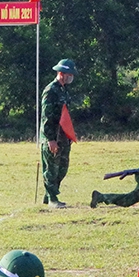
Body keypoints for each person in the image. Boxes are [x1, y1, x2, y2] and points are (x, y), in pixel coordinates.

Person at [40, 59, 78, 209]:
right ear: (61, 74)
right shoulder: (51, 91)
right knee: (51, 168)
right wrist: (50, 139)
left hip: (63, 137)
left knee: (62, 168)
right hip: (53, 137)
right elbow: (46, 117)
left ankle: (49, 195)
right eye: (69, 74)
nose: (71, 77)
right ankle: (52, 199)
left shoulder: (63, 90)